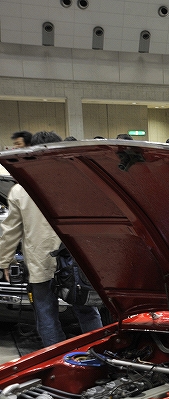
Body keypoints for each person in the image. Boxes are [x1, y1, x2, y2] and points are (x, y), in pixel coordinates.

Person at [0, 131, 102, 347]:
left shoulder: (20, 190)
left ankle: (57, 363)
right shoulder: (78, 183)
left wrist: (4, 261)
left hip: (40, 263)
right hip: (76, 261)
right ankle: (101, 354)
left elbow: (10, 231)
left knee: (46, 317)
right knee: (86, 311)